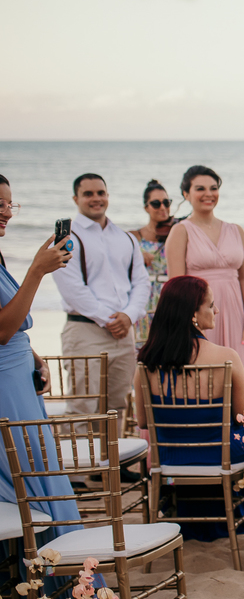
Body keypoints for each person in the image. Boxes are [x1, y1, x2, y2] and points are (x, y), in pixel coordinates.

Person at [135, 275, 244, 540]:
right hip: (218, 456)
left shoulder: (147, 361)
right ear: (192, 314)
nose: (217, 310)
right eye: (211, 305)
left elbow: (143, 422)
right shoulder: (226, 357)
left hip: (172, 457)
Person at [0, 173, 83, 537]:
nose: (8, 213)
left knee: (41, 465)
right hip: (5, 387)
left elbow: (12, 323)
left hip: (20, 376)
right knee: (28, 473)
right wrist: (36, 270)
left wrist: (35, 357)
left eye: (9, 204)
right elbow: (2, 330)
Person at [52, 173, 152, 424]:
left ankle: (113, 463)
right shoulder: (67, 238)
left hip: (124, 333)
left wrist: (128, 316)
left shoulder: (126, 238)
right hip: (85, 331)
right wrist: (109, 319)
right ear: (76, 198)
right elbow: (71, 288)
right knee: (82, 407)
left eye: (100, 193)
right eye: (88, 194)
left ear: (107, 196)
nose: (96, 199)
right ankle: (82, 464)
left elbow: (141, 282)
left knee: (117, 407)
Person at [165, 165, 244, 415]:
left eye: (214, 188)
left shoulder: (236, 230)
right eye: (200, 188)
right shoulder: (180, 231)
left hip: (235, 312)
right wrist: (189, 323)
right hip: (199, 315)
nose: (208, 194)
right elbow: (176, 286)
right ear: (186, 194)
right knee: (206, 374)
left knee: (239, 369)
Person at [131, 179, 175, 349]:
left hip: (170, 296)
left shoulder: (177, 232)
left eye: (166, 202)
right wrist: (136, 255)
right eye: (156, 204)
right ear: (146, 207)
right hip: (144, 297)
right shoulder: (135, 236)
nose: (163, 208)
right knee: (142, 348)